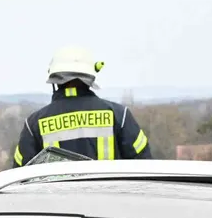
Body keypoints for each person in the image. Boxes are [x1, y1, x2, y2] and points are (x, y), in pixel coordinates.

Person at [13, 47, 151, 167]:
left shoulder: (34, 124)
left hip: (57, 191)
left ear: (55, 80)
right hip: (111, 191)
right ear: (90, 77)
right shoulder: (120, 115)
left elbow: (19, 175)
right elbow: (145, 165)